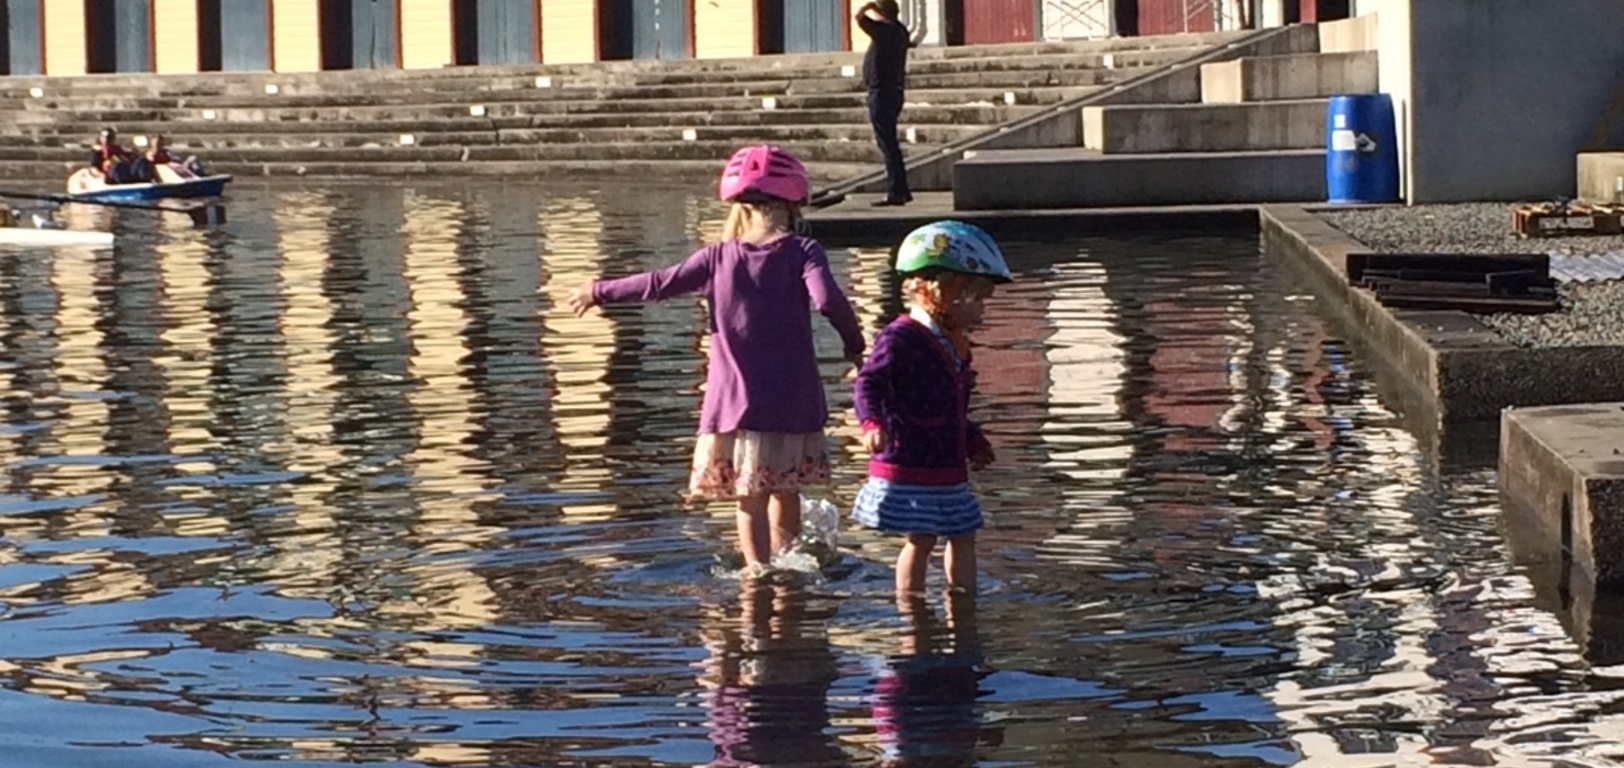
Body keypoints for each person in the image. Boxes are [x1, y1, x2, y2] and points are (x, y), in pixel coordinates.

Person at [566, 144, 867, 574]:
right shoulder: (804, 251)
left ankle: (756, 573)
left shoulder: (716, 258)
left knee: (749, 495)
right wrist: (854, 344)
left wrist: (598, 291)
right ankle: (790, 570)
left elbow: (658, 284)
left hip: (734, 403)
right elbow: (827, 300)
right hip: (792, 401)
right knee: (787, 489)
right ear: (793, 201)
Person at [852, 220, 1012, 596]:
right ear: (945, 292)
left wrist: (972, 439)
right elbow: (868, 382)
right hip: (914, 460)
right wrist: (871, 422)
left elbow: (951, 403)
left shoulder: (953, 343)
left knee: (963, 532)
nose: (983, 310)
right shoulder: (901, 338)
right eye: (978, 299)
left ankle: (962, 603)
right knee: (922, 538)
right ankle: (913, 607)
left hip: (946, 463)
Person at [856, 0, 913, 207]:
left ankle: (896, 191)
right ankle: (902, 190)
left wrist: (868, 7)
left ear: (882, 13)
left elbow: (859, 18)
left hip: (881, 93)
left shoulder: (883, 31)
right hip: (895, 92)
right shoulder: (900, 31)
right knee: (890, 143)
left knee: (887, 144)